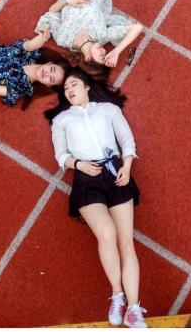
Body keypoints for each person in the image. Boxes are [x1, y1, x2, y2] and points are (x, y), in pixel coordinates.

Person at [45, 69, 147, 328]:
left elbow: (127, 141)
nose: (69, 89)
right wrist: (79, 165)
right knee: (107, 234)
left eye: (74, 84)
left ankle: (134, 310)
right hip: (87, 177)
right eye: (66, 87)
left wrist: (127, 167)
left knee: (126, 241)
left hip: (116, 173)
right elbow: (61, 155)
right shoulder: (61, 120)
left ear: (87, 87)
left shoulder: (109, 110)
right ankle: (118, 295)